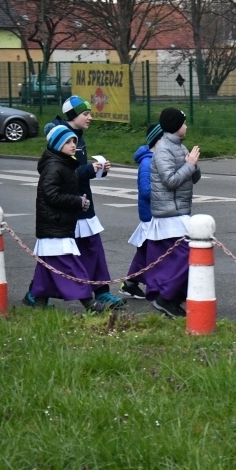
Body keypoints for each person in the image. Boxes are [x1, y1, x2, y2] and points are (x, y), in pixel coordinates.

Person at [48, 96, 126, 310]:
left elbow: (78, 173)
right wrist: (89, 170)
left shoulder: (78, 137)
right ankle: (36, 294)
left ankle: (101, 292)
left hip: (83, 204)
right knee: (60, 254)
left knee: (92, 249)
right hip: (69, 206)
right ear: (73, 116)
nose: (90, 117)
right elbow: (63, 174)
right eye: (85, 114)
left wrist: (98, 171)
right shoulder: (62, 139)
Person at [22, 124, 109, 313]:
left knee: (46, 270)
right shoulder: (54, 167)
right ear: (57, 145)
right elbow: (51, 194)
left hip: (59, 224)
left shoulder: (64, 164)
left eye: (74, 141)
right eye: (68, 142)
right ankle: (89, 302)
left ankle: (39, 300)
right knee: (70, 266)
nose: (73, 145)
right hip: (54, 224)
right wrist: (76, 201)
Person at [144, 108, 200, 317]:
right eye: (184, 123)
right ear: (176, 126)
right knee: (188, 256)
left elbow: (190, 177)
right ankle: (165, 298)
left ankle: (172, 298)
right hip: (170, 214)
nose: (186, 127)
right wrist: (189, 165)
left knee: (178, 259)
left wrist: (194, 166)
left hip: (179, 211)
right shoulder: (163, 149)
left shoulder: (179, 146)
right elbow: (170, 181)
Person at [119, 124, 162, 300]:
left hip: (153, 214)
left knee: (144, 252)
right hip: (151, 216)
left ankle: (130, 283)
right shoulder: (148, 162)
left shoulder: (156, 159)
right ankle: (158, 288)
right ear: (157, 141)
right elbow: (146, 191)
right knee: (155, 253)